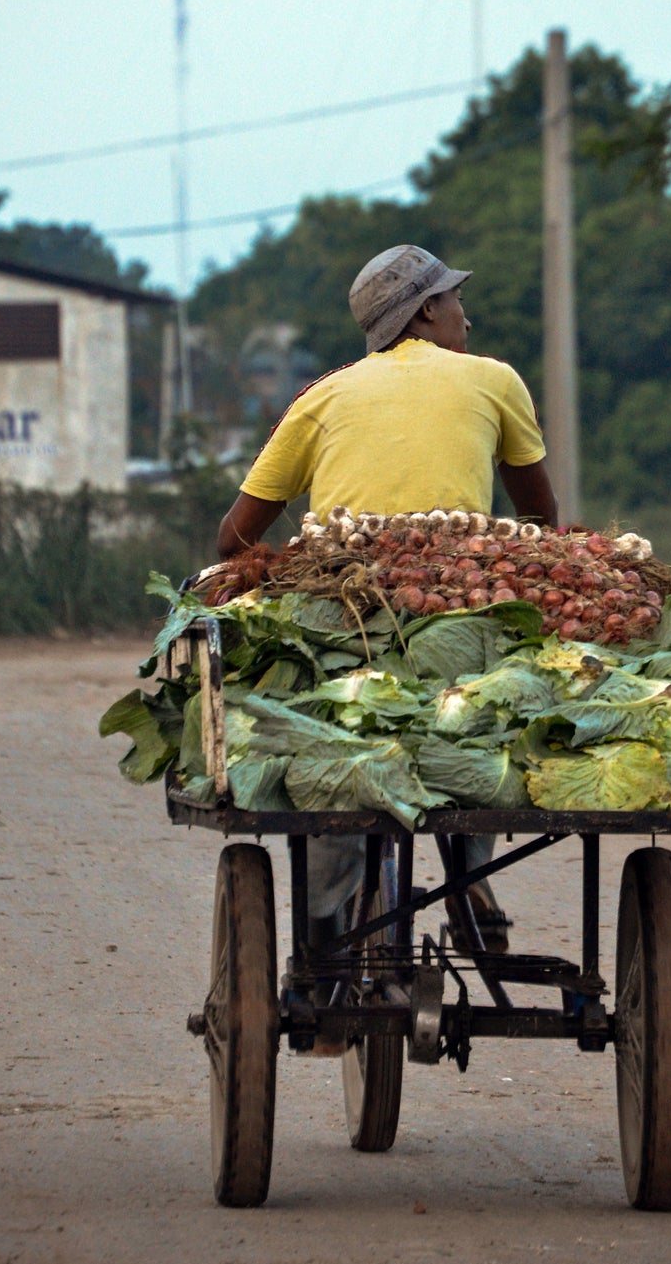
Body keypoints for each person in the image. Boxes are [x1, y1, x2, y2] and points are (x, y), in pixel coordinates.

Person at [217, 244, 558, 1019]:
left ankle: (328, 944)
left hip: (344, 624)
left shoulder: (322, 396)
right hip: (455, 622)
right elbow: (542, 515)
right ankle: (471, 883)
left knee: (333, 731)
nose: (465, 314)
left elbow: (233, 535)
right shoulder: (495, 379)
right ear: (426, 314)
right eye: (452, 300)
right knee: (483, 720)